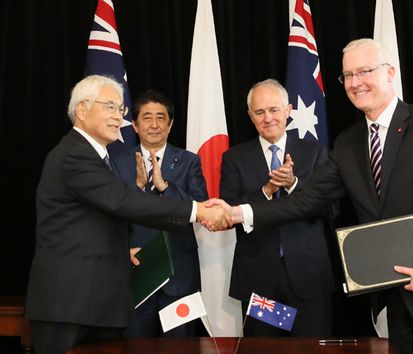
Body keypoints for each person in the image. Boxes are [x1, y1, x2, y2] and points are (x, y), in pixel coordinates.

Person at [214, 39, 413, 354]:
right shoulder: (348, 143)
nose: (355, 82)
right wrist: (239, 214)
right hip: (394, 294)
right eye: (347, 75)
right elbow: (307, 200)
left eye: (364, 71)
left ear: (390, 73)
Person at [25, 75, 227, 354]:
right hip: (69, 304)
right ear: (82, 110)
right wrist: (198, 209)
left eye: (120, 109)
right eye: (110, 107)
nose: (118, 117)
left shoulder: (94, 156)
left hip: (92, 301)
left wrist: (122, 250)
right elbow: (121, 201)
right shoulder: (75, 155)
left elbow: (94, 222)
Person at [220, 79, 335, 337]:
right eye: (259, 112)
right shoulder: (235, 158)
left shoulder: (314, 152)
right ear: (250, 116)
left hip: (308, 277)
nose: (268, 118)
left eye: (274, 109)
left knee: (310, 349)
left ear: (288, 110)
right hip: (261, 280)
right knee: (266, 349)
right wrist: (267, 191)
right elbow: (229, 214)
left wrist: (293, 184)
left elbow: (330, 210)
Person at [111, 90, 208, 338]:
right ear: (134, 124)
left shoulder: (189, 161)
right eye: (146, 118)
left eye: (161, 117)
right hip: (136, 271)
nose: (154, 125)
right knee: (135, 346)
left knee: (180, 347)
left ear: (170, 123)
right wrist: (139, 188)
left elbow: (201, 209)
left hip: (180, 274)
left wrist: (165, 186)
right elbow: (110, 210)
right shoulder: (117, 162)